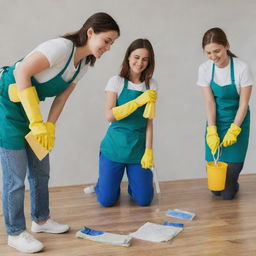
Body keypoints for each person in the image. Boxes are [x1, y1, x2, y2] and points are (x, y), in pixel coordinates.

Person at [0, 12, 119, 253]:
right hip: (6, 103)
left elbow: (61, 99)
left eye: (112, 44)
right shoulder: (61, 47)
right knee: (15, 176)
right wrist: (36, 121)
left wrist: (49, 126)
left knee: (41, 168)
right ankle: (14, 232)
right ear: (90, 32)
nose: (108, 47)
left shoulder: (84, 64)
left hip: (27, 105)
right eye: (106, 40)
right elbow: (21, 72)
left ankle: (41, 220)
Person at [84, 38, 158, 207]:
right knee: (106, 201)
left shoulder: (151, 85)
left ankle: (135, 187)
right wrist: (137, 102)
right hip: (114, 147)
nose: (140, 63)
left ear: (149, 62)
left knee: (144, 200)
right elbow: (109, 116)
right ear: (128, 58)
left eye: (145, 59)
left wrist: (149, 151)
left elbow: (149, 122)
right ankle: (101, 186)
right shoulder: (116, 82)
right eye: (136, 57)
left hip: (138, 148)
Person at [197, 27, 253, 200]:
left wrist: (235, 129)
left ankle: (233, 183)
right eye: (208, 53)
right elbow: (210, 102)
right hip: (215, 120)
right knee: (215, 189)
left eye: (217, 51)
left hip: (238, 121)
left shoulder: (242, 68)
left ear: (226, 46)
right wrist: (212, 130)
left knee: (227, 193)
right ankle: (227, 182)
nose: (213, 57)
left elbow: (243, 103)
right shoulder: (205, 69)